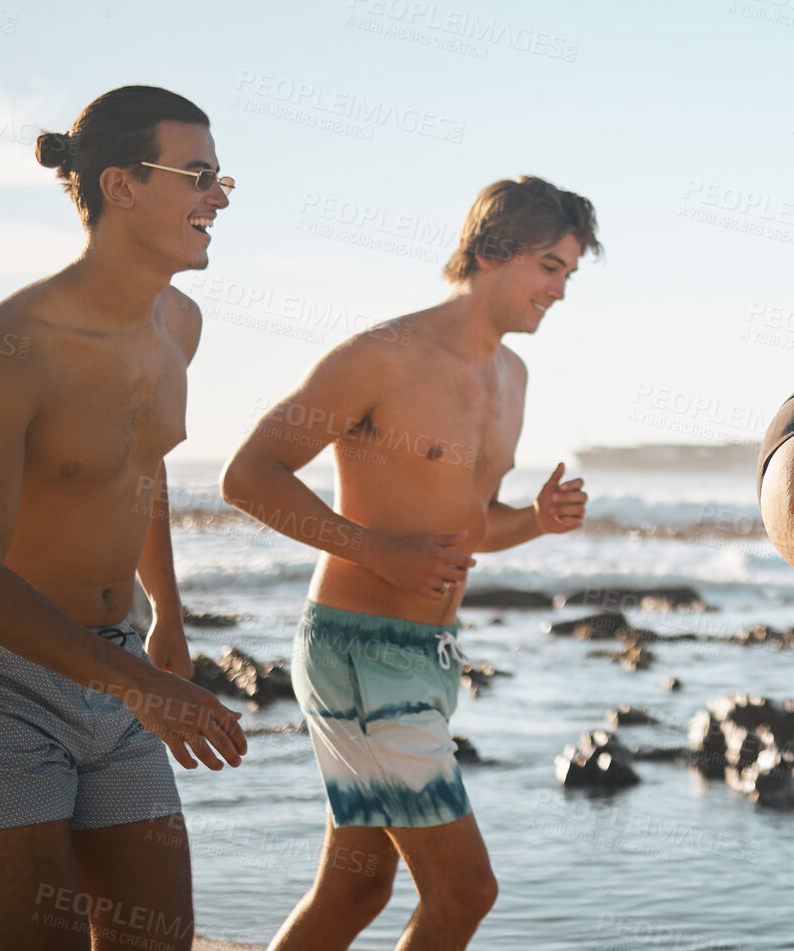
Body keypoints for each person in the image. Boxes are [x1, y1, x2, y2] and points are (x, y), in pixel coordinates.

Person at [0, 85, 248, 951]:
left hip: (116, 665)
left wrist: (165, 615)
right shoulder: (14, 342)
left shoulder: (180, 324)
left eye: (221, 176)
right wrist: (140, 685)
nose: (220, 195)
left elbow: (143, 469)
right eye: (199, 174)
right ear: (121, 185)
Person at [221, 175, 596, 951]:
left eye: (568, 273)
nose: (559, 291)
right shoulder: (380, 358)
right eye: (550, 267)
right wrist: (373, 548)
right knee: (463, 891)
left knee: (356, 885)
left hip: (428, 656)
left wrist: (533, 520)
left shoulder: (512, 377)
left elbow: (466, 527)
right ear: (492, 252)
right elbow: (249, 473)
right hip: (357, 651)